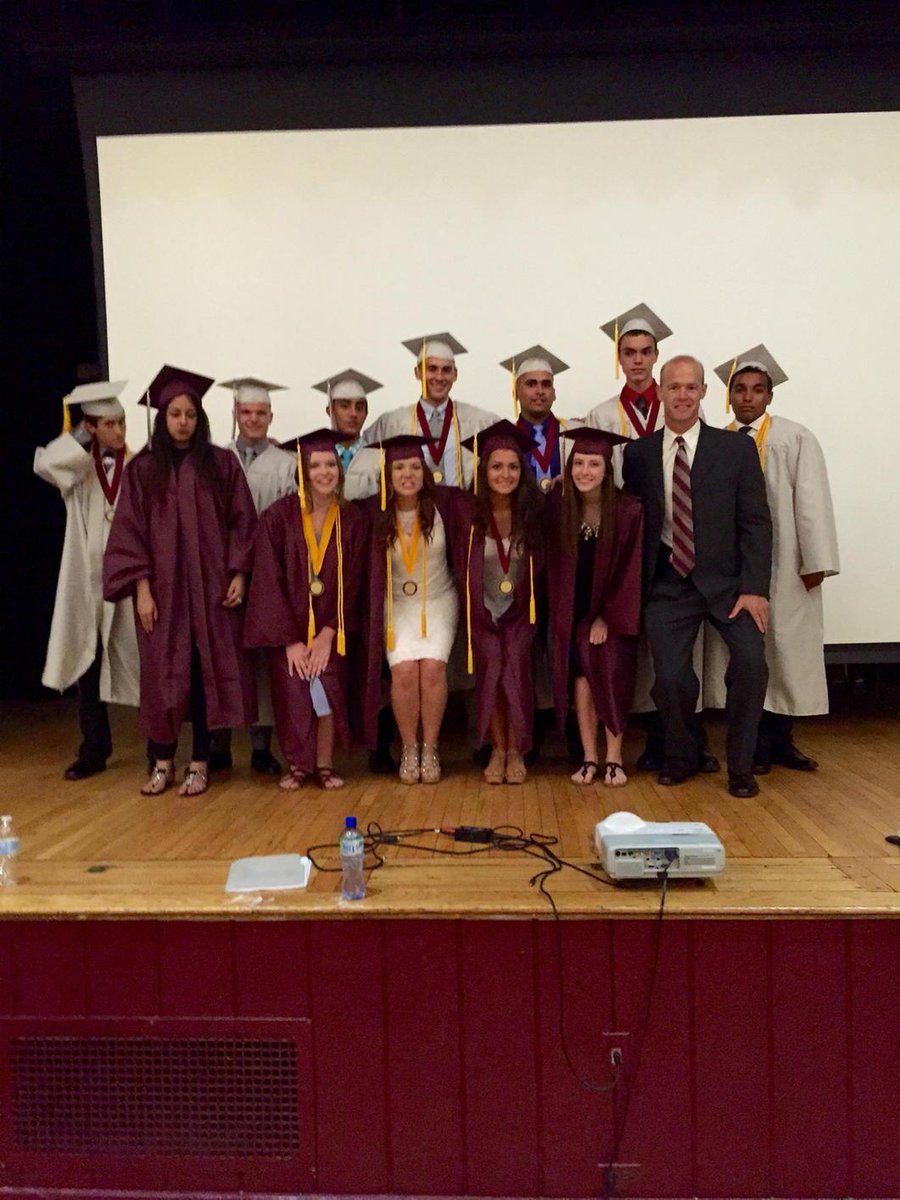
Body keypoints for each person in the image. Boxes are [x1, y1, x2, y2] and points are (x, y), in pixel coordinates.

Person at [103, 365, 258, 797]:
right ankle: (162, 761)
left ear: (200, 417)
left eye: (190, 413)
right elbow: (130, 533)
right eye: (175, 414)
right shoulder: (143, 470)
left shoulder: (221, 464)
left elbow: (242, 522)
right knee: (162, 678)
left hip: (211, 593)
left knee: (204, 676)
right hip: (163, 596)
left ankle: (200, 762)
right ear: (162, 417)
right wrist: (142, 589)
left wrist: (239, 573)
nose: (183, 422)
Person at [622, 355, 772, 799]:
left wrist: (755, 589)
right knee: (669, 680)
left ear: (705, 392)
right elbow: (636, 523)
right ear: (660, 392)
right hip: (669, 585)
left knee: (750, 663)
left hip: (730, 586)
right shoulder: (640, 454)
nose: (683, 395)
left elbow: (756, 523)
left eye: (692, 387)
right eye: (674, 387)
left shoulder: (736, 449)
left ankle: (741, 766)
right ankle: (683, 754)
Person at [586, 302, 711, 773]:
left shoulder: (679, 405)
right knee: (632, 648)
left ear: (656, 355)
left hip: (671, 546)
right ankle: (634, 737)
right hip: (620, 546)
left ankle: (678, 739)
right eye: (628, 352)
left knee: (674, 657)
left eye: (645, 352)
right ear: (619, 358)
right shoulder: (601, 413)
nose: (637, 360)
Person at [706, 346, 839, 772]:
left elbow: (813, 502)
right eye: (740, 390)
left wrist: (816, 560)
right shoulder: (717, 441)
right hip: (738, 566)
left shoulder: (794, 437)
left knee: (785, 649)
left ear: (770, 396)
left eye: (757, 390)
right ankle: (754, 743)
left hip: (787, 563)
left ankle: (782, 740)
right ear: (729, 396)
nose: (748, 397)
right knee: (747, 653)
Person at [245, 430, 365, 789]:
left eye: (331, 464)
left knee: (326, 685)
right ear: (303, 470)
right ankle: (298, 764)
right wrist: (290, 642)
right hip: (289, 632)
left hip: (333, 629)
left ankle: (324, 764)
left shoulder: (352, 519)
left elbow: (354, 583)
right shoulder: (277, 518)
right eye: (316, 465)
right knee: (293, 685)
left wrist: (329, 633)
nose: (324, 472)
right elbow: (267, 581)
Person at [34, 380, 140, 779]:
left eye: (122, 421)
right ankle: (94, 748)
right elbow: (45, 463)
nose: (119, 430)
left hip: (129, 580)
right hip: (87, 579)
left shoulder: (139, 463)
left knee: (140, 661)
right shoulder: (79, 467)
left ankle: (156, 749)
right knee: (87, 663)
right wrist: (80, 436)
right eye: (109, 423)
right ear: (91, 427)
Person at [209, 376, 298, 775]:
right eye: (246, 412)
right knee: (223, 656)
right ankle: (219, 743)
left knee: (263, 660)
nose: (254, 419)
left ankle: (262, 746)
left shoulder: (286, 462)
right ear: (234, 415)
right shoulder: (214, 459)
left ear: (271, 415)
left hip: (268, 572)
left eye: (261, 413)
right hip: (223, 572)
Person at [447, 420, 544, 784]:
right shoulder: (466, 512)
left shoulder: (534, 511)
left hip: (521, 612)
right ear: (483, 470)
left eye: (513, 467)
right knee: (491, 667)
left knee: (514, 667)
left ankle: (518, 749)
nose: (505, 474)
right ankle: (499, 748)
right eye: (497, 466)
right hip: (483, 613)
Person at [547, 428, 643, 786]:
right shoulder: (560, 507)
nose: (585, 471)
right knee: (582, 678)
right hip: (571, 612)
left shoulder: (628, 511)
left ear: (607, 469)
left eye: (594, 464)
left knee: (609, 671)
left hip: (612, 615)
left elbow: (632, 570)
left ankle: (614, 757)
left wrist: (606, 616)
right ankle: (589, 756)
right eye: (579, 463)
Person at [362, 435, 458, 784]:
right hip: (398, 604)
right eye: (399, 467)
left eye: (414, 467)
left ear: (425, 472)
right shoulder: (373, 512)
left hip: (438, 599)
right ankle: (408, 748)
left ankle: (430, 748)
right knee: (403, 672)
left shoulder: (444, 505)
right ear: (387, 474)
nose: (407, 474)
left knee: (432, 669)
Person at [363, 333, 498, 488]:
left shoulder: (480, 421)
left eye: (446, 370)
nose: (439, 377)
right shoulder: (391, 422)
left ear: (455, 375)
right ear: (417, 372)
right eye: (432, 369)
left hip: (463, 509)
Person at [499, 345, 581, 492]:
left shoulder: (575, 434)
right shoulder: (505, 437)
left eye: (546, 384)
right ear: (516, 393)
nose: (540, 391)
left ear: (554, 393)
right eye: (531, 384)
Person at [315, 369, 383, 501]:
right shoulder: (315, 457)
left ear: (366, 413)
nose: (353, 414)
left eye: (359, 407)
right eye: (345, 406)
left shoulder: (379, 459)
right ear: (330, 411)